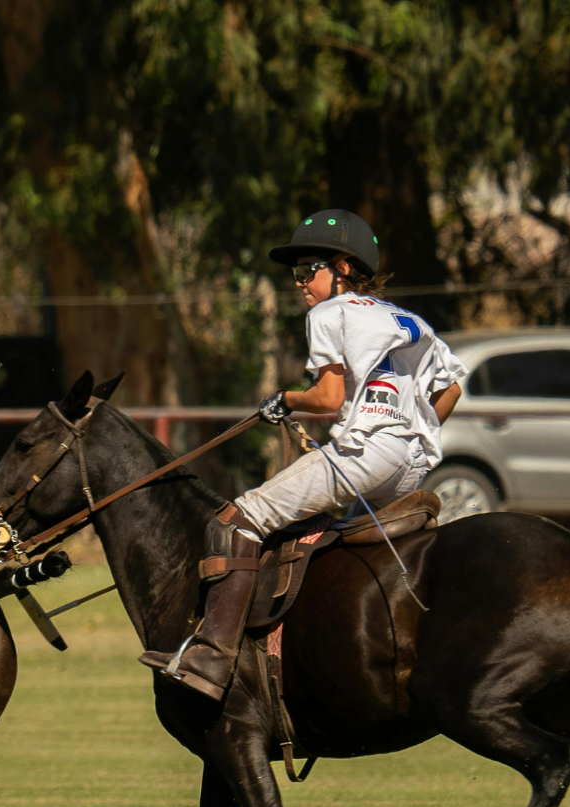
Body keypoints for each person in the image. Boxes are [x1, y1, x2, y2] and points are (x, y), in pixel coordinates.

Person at [140, 209, 466, 700]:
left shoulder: (329, 313)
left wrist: (286, 400)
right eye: (296, 274)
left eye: (306, 270)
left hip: (363, 455)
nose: (299, 284)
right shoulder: (405, 318)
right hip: (409, 465)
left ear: (342, 266)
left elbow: (328, 399)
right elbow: (453, 387)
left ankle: (211, 654)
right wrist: (413, 431)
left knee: (236, 519)